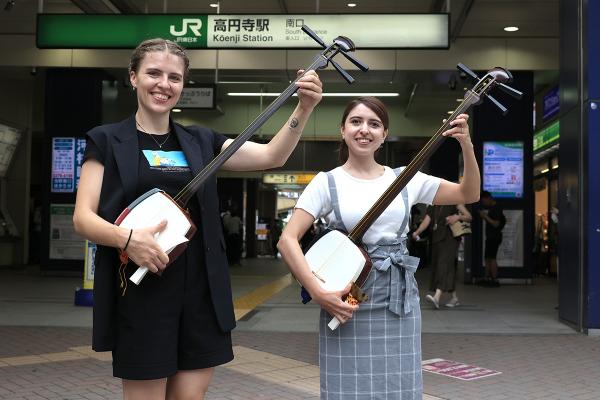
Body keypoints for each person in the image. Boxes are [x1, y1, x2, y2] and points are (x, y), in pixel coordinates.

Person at [72, 38, 322, 400]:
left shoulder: (201, 141)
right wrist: (128, 239)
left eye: (175, 77)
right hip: (143, 292)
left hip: (200, 290)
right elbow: (83, 218)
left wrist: (304, 107)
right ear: (132, 77)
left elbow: (271, 155)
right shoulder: (107, 141)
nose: (164, 84)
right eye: (153, 73)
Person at [277, 97, 480, 399]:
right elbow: (287, 239)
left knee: (399, 386)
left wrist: (466, 145)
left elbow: (469, 192)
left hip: (397, 299)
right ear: (342, 130)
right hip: (348, 297)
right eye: (356, 122)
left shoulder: (405, 178)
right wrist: (318, 292)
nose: (364, 130)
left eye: (374, 124)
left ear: (384, 134)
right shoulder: (326, 182)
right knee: (346, 387)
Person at [412, 204, 472, 308]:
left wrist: (457, 217)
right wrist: (417, 232)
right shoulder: (433, 205)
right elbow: (427, 220)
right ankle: (454, 298)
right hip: (437, 239)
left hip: (450, 239)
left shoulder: (454, 201)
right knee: (445, 266)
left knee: (442, 265)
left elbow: (469, 216)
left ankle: (437, 297)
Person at [479, 191, 506, 287]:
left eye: (484, 201)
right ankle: (487, 278)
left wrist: (485, 216)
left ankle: (494, 279)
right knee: (487, 258)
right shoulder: (492, 208)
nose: (484, 203)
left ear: (488, 198)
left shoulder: (496, 208)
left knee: (492, 258)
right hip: (491, 237)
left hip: (494, 237)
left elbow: (496, 224)